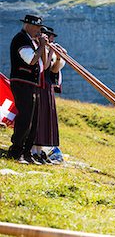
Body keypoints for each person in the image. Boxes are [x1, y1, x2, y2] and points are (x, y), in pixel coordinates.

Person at [7, 14, 48, 164]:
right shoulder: (20, 39)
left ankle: (27, 152)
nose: (38, 30)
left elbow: (44, 64)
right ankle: (16, 151)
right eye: (36, 27)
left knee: (33, 119)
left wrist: (43, 47)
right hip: (22, 82)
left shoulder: (32, 41)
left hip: (32, 84)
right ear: (27, 25)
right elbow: (31, 60)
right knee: (25, 118)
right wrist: (42, 46)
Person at [31, 26, 66, 164]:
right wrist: (51, 51)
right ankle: (33, 150)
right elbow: (44, 66)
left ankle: (40, 150)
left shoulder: (45, 49)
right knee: (38, 118)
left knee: (46, 119)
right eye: (49, 36)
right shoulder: (40, 48)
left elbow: (54, 69)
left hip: (47, 86)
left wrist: (58, 58)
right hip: (39, 85)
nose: (51, 39)